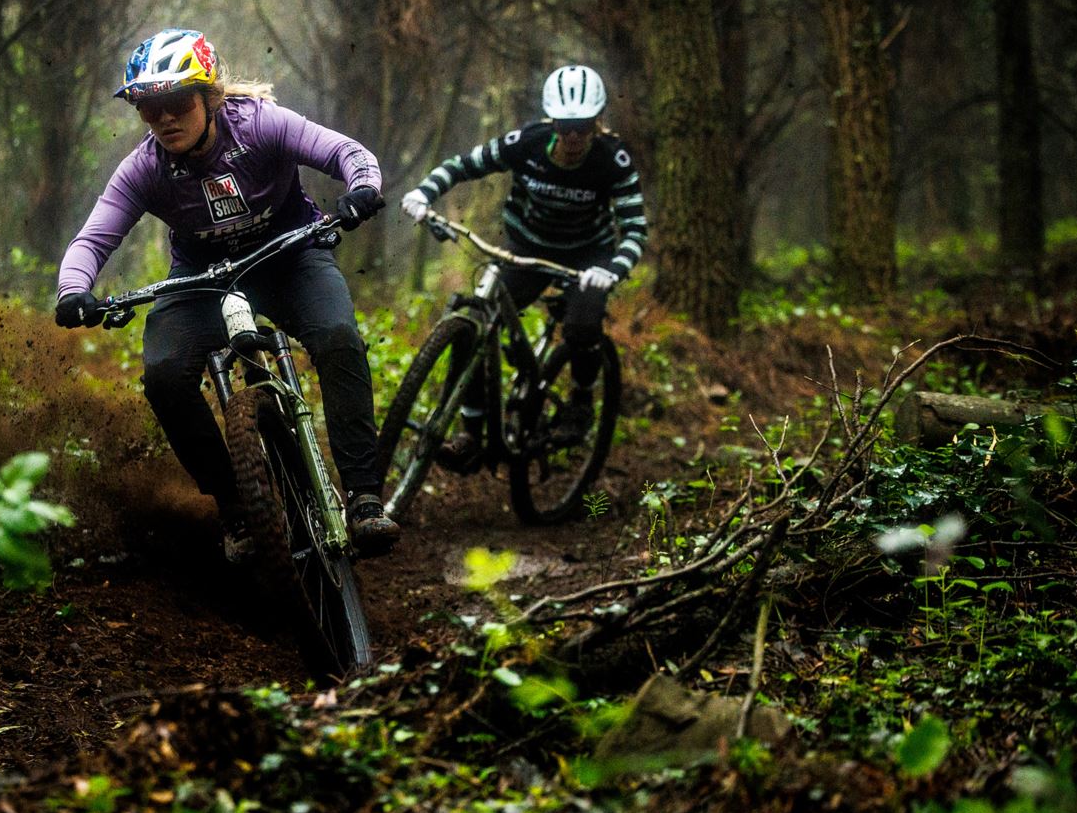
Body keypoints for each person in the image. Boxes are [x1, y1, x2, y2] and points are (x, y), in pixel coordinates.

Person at [54, 28, 400, 556]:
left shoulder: (260, 125)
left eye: (176, 101)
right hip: (202, 278)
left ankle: (364, 496)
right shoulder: (145, 168)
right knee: (165, 376)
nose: (165, 118)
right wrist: (74, 289)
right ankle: (236, 506)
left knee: (337, 337)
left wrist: (361, 187)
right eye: (149, 109)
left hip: (290, 255)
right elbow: (94, 237)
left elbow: (344, 151)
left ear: (209, 96)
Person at [400, 64, 649, 472]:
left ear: (597, 124)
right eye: (566, 126)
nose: (573, 137)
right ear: (552, 122)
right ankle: (471, 435)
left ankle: (581, 401)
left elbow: (635, 228)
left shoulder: (612, 160)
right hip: (526, 247)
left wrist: (613, 270)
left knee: (583, 328)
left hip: (588, 258)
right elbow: (465, 164)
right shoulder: (527, 142)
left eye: (583, 127)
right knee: (476, 319)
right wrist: (424, 192)